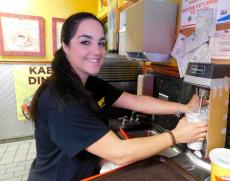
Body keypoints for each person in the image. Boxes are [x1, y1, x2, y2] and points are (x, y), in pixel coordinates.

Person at [27, 12, 207, 181]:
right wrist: (176, 135)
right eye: (85, 42)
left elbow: (136, 101)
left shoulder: (89, 83)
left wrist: (185, 108)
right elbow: (119, 153)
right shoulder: (61, 99)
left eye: (101, 43)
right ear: (65, 46)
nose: (97, 51)